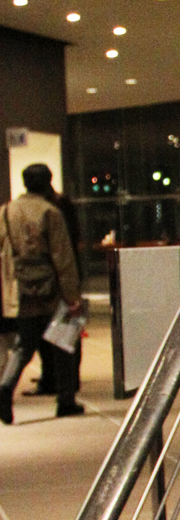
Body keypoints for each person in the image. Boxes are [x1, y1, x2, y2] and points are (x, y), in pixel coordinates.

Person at [0, 164, 84, 422]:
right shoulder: (50, 212)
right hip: (51, 290)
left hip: (21, 289)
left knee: (23, 346)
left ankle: (5, 386)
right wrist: (72, 296)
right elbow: (62, 257)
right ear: (48, 182)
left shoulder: (7, 211)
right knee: (63, 343)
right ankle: (65, 401)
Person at [29, 169, 83, 397]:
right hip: (62, 274)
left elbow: (62, 248)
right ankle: (64, 381)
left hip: (54, 276)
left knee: (60, 331)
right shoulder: (60, 204)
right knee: (64, 332)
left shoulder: (52, 208)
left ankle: (58, 381)